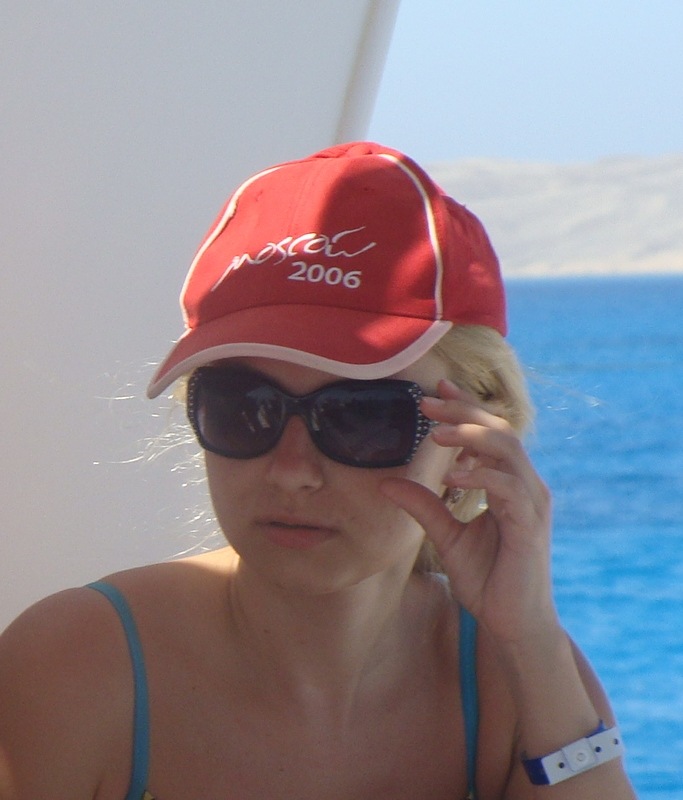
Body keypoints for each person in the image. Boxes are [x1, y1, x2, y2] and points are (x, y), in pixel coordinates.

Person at [0, 141, 636, 800]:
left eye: (363, 415)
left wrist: (530, 642)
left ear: (473, 441)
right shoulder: (77, 666)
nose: (291, 472)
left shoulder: (523, 681)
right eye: (244, 407)